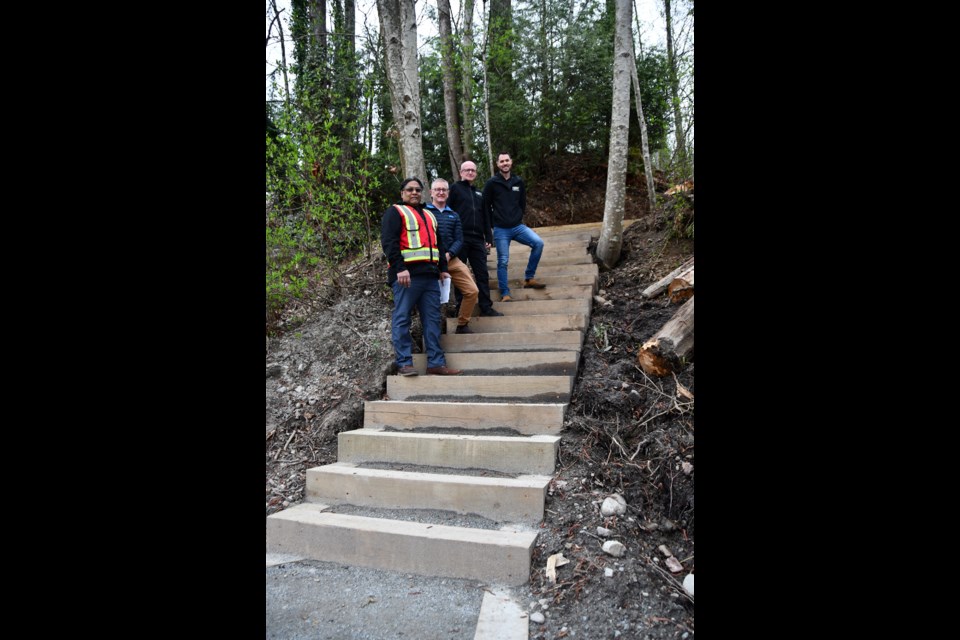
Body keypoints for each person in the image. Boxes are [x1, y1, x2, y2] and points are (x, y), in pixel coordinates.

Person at [380, 177, 462, 376]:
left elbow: (439, 244)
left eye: (418, 189)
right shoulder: (395, 212)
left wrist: (443, 268)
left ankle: (435, 363)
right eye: (410, 189)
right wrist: (399, 268)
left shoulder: (429, 215)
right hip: (406, 277)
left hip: (431, 277)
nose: (414, 192)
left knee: (433, 320)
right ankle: (404, 363)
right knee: (402, 319)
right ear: (402, 193)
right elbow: (389, 242)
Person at [482, 152, 546, 302]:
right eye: (501, 161)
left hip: (518, 226)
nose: (504, 163)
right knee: (503, 260)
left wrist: (517, 217)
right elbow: (485, 207)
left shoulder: (518, 181)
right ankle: (505, 293)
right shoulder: (492, 183)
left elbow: (522, 203)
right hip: (500, 229)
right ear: (497, 164)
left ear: (511, 162)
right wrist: (490, 229)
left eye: (507, 160)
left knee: (538, 243)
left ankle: (529, 278)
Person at [447, 160, 503, 317]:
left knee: (482, 273)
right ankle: (461, 308)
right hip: (460, 239)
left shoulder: (480, 193)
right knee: (460, 273)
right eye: (467, 170)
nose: (470, 172)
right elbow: (448, 212)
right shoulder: (454, 189)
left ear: (476, 173)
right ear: (461, 172)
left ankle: (486, 306)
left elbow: (486, 215)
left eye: (473, 170)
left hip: (478, 239)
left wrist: (489, 237)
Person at [426, 179, 480, 334]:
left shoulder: (454, 215)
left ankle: (462, 324)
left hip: (451, 260)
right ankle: (433, 331)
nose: (441, 192)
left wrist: (449, 254)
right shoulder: (425, 213)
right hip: (430, 261)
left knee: (472, 290)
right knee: (432, 298)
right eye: (437, 189)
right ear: (431, 192)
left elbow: (459, 239)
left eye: (444, 189)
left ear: (448, 193)